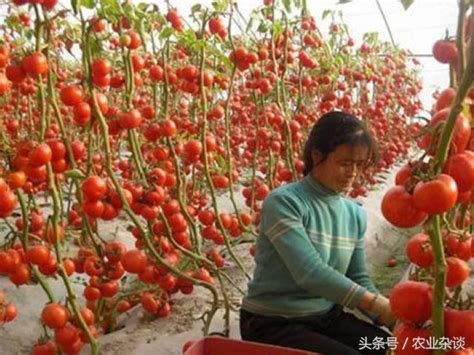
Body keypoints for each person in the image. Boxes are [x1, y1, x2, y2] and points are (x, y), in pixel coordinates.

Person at [240, 111, 396, 355]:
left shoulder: (354, 214)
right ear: (316, 156)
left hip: (326, 319)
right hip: (273, 322)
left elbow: (357, 277)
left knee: (392, 349)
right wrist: (374, 302)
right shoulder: (284, 202)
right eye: (345, 163)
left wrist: (392, 318)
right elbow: (310, 272)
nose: (353, 172)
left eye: (359, 164)